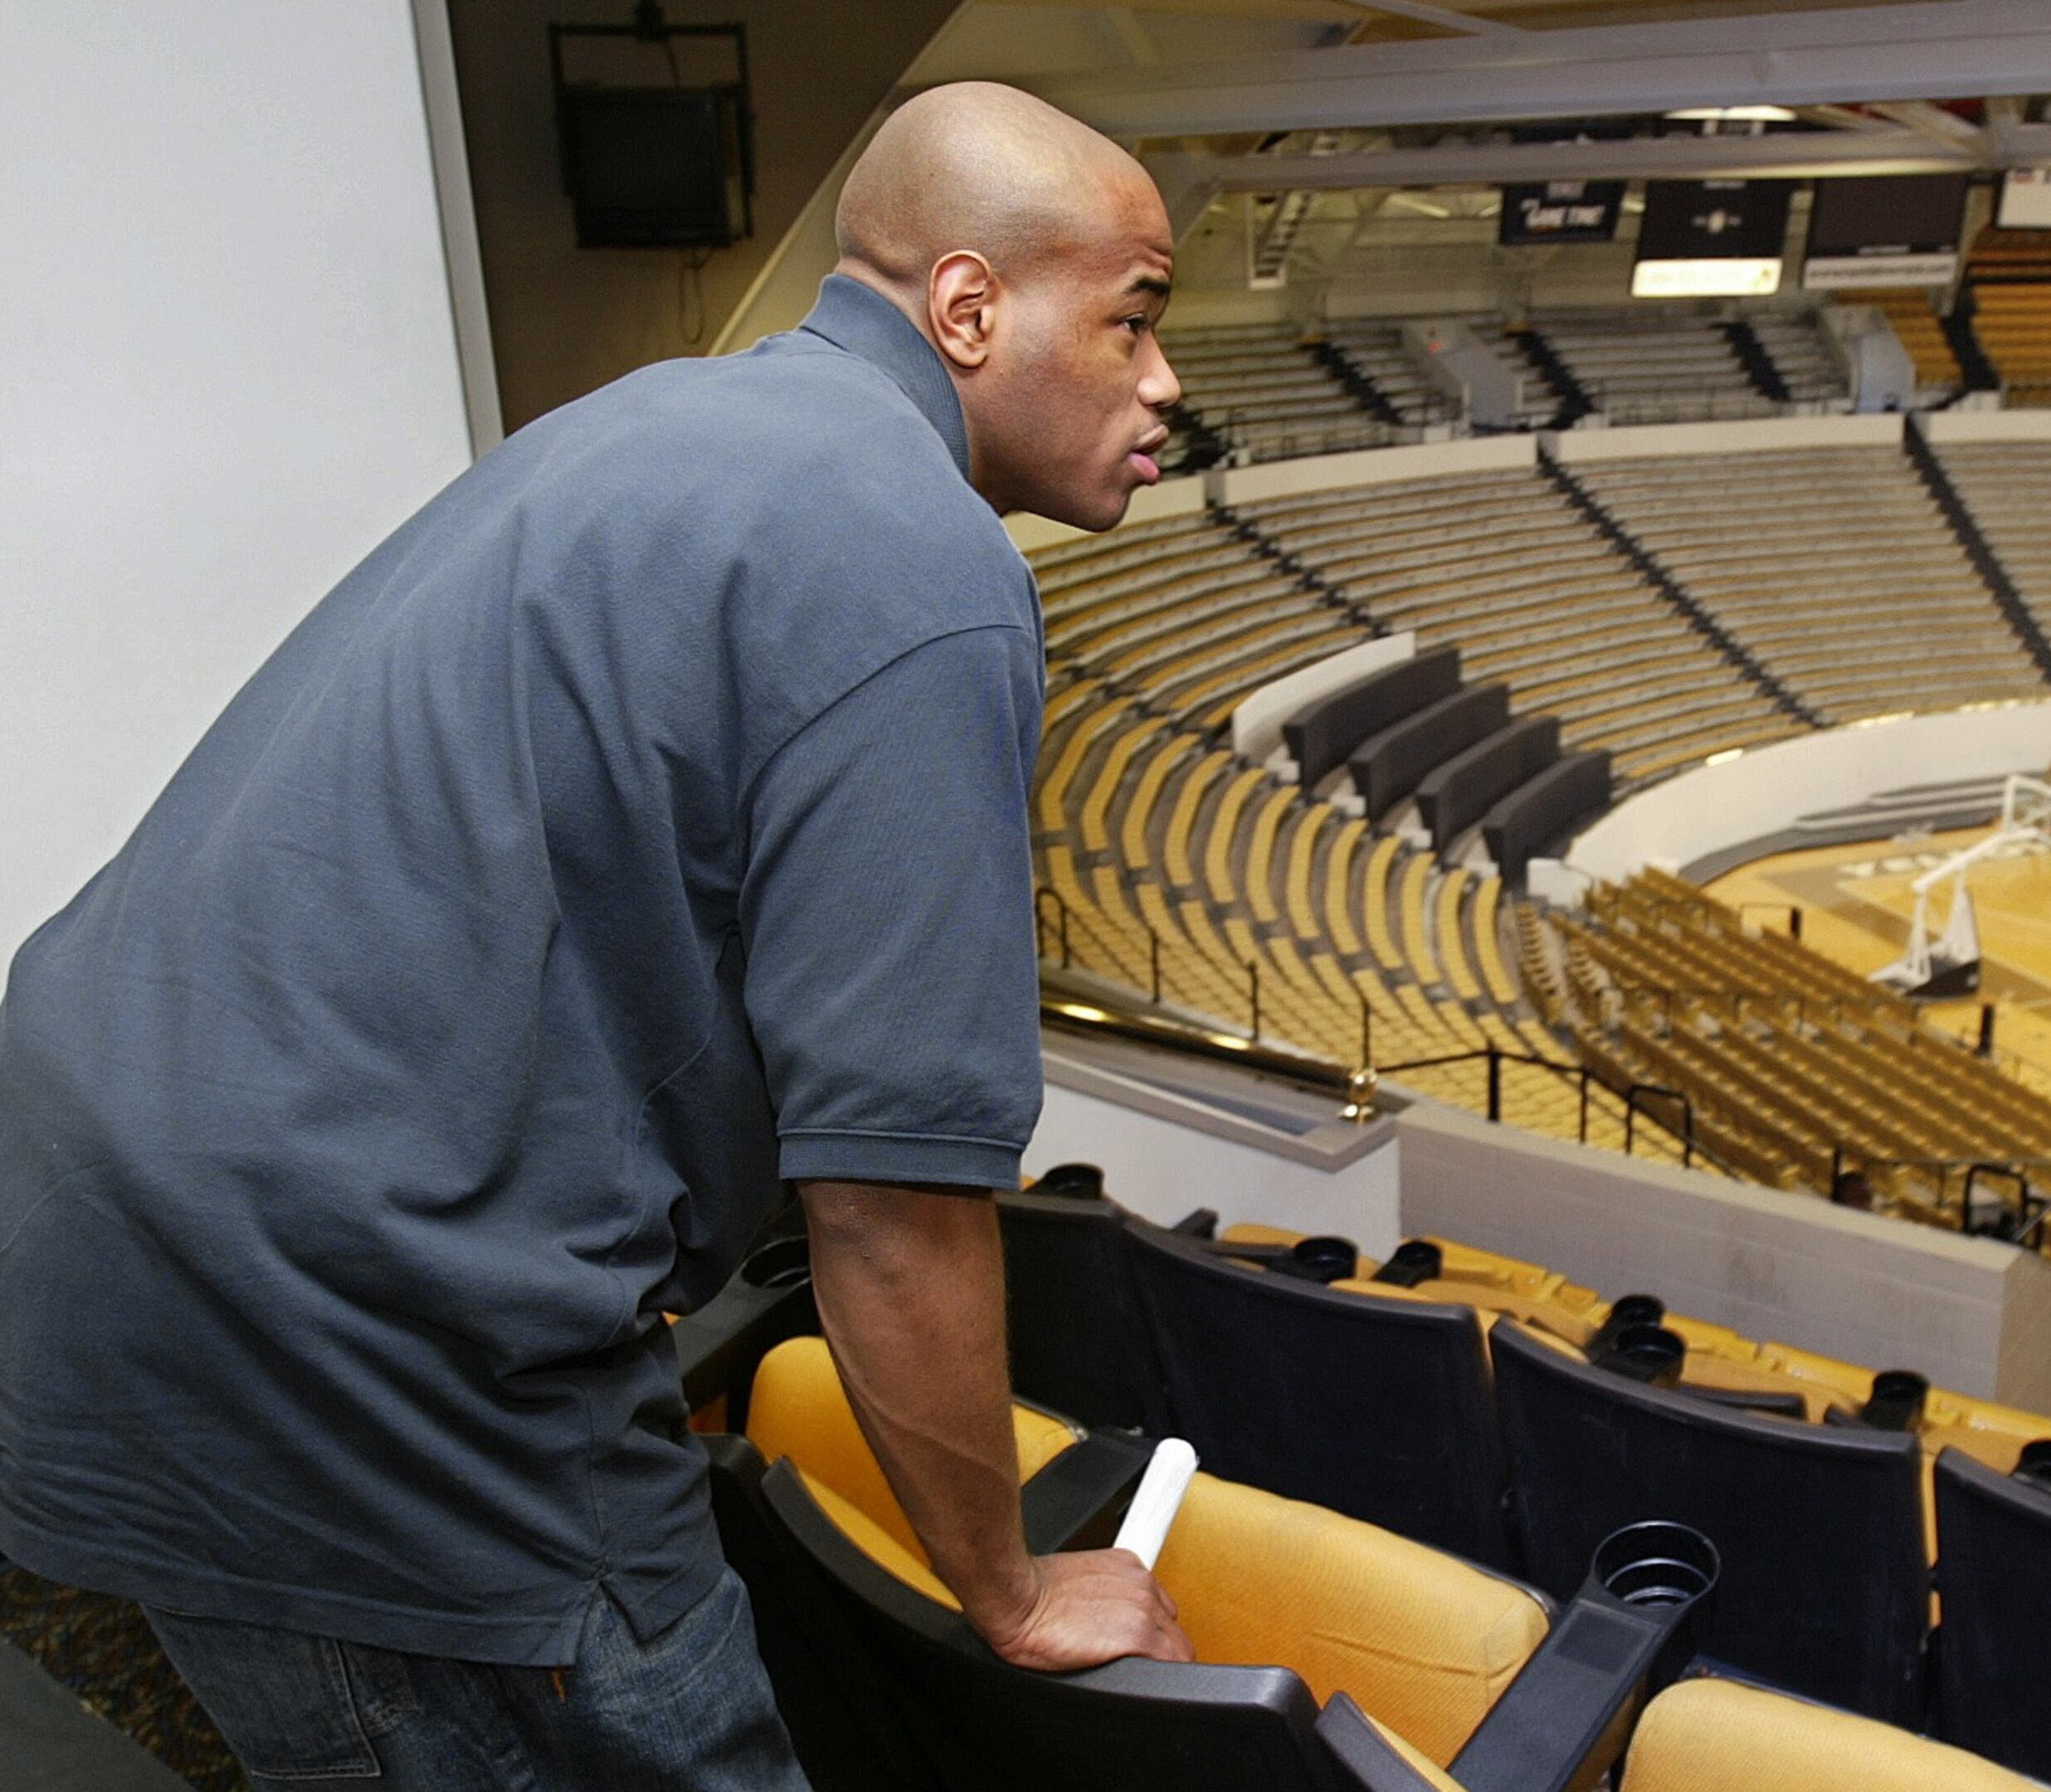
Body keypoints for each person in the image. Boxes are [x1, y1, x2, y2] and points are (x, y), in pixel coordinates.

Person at [0, 83, 1191, 1787]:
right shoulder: (916, 561)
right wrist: (1008, 1587)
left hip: (99, 1212)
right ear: (971, 308)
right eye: (1135, 318)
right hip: (346, 1326)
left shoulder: (659, 420)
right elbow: (891, 1202)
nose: (1166, 382)